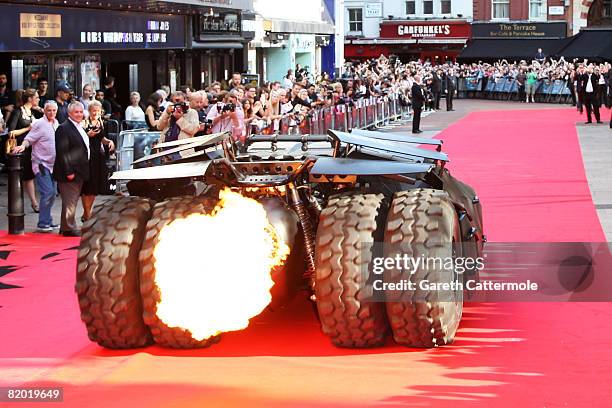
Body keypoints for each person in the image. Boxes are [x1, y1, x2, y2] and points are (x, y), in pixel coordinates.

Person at [12, 100, 59, 232]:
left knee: (53, 193)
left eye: (54, 110)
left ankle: (47, 220)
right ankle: (43, 223)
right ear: (44, 111)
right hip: (41, 164)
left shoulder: (56, 123)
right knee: (48, 192)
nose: (51, 112)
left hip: (54, 165)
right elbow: (29, 138)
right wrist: (22, 146)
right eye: (49, 110)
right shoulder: (39, 124)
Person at [53, 101, 90, 237]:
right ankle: (69, 227)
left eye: (81, 112)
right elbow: (62, 152)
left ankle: (65, 226)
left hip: (79, 171)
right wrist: (69, 172)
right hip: (69, 172)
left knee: (70, 200)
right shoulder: (64, 128)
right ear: (69, 113)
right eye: (76, 112)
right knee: (70, 201)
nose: (79, 114)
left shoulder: (79, 126)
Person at [8, 88, 42, 212]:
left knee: (29, 176)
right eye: (36, 97)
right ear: (30, 99)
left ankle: (33, 202)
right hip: (19, 149)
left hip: (30, 148)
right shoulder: (18, 112)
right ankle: (27, 203)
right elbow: (11, 132)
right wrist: (28, 128)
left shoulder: (33, 112)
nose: (38, 99)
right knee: (22, 176)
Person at [80, 100, 114, 221]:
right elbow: (80, 138)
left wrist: (110, 142)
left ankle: (87, 212)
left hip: (98, 156)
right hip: (88, 156)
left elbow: (102, 138)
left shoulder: (101, 122)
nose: (95, 113)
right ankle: (87, 213)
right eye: (93, 110)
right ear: (89, 111)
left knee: (95, 186)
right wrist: (88, 135)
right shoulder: (84, 122)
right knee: (87, 186)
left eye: (98, 111)